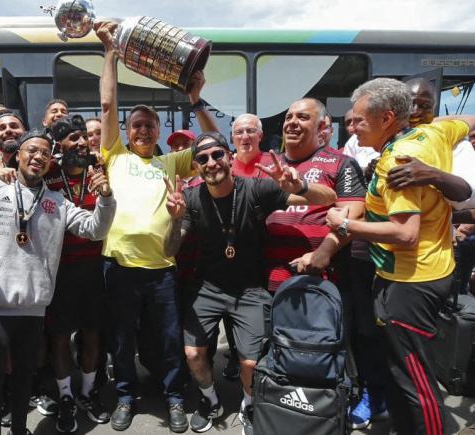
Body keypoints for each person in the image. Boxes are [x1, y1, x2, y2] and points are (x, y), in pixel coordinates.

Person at [0, 127, 116, 435]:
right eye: (32, 150)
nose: (38, 157)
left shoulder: (57, 202)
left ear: (49, 161)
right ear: (18, 155)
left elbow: (94, 230)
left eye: (45, 153)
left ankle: (19, 430)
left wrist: (106, 198)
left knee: (23, 380)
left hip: (31, 313)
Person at [328, 77, 475, 435]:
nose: (351, 127)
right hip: (428, 271)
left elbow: (404, 233)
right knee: (398, 372)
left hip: (411, 282)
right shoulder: (435, 133)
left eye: (358, 121)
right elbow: (468, 120)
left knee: (415, 381)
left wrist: (345, 225)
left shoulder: (399, 160)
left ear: (388, 118)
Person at [163, 132, 336, 433]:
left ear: (230, 157)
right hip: (208, 286)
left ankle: (248, 402)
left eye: (217, 154)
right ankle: (209, 399)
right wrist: (175, 219)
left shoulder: (256, 189)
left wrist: (300, 185)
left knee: (251, 364)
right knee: (192, 354)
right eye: (202, 158)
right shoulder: (190, 198)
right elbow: (169, 249)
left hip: (250, 289)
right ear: (197, 167)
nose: (211, 162)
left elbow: (328, 198)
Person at [94, 20, 218, 433]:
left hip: (163, 269)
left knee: (168, 341)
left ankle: (175, 398)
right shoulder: (115, 156)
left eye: (150, 125)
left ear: (160, 131)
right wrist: (110, 56)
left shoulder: (171, 162)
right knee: (122, 341)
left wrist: (196, 101)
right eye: (137, 125)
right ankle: (126, 397)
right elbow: (108, 106)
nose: (144, 129)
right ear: (127, 134)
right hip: (119, 267)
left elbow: (218, 147)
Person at [43, 115, 110, 432]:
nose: (82, 142)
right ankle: (66, 396)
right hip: (57, 271)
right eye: (73, 138)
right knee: (58, 338)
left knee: (92, 334)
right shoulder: (48, 174)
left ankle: (87, 393)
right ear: (60, 146)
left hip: (93, 269)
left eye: (84, 136)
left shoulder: (101, 172)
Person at [263, 98, 366, 290]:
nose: (292, 122)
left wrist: (323, 253)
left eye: (302, 117)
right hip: (267, 283)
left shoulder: (342, 163)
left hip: (319, 282)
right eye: (288, 117)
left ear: (320, 127)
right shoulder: (267, 165)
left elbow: (355, 216)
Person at [230, 114, 272, 178]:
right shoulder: (226, 167)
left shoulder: (274, 164)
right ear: (232, 139)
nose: (245, 137)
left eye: (250, 131)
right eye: (239, 132)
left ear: (260, 136)